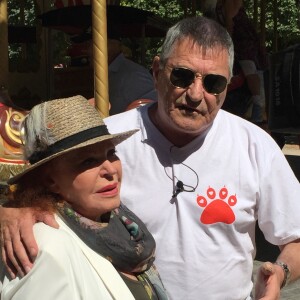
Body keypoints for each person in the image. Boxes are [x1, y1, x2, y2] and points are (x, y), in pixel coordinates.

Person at [1, 16, 300, 300]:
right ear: (157, 71)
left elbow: (295, 238)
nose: (196, 94)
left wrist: (280, 273)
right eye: (182, 76)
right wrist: (13, 212)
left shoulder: (254, 146)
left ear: (228, 86)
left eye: (213, 84)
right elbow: (46, 193)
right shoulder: (106, 143)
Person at [0, 95, 167, 300]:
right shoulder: (45, 247)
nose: (109, 169)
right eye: (88, 161)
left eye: (111, 153)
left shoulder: (120, 222)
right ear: (51, 180)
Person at [207, 0, 267, 124]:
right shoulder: (221, 6)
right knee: (251, 71)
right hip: (241, 41)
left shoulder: (227, 5)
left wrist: (227, 42)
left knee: (250, 71)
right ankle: (258, 109)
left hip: (241, 41)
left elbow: (230, 22)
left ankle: (257, 109)